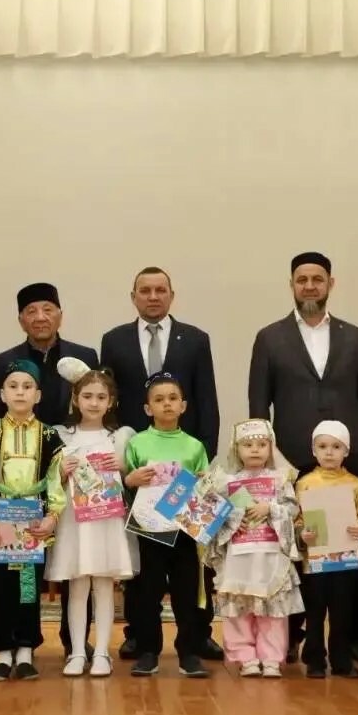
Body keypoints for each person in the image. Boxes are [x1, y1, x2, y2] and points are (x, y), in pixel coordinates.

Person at [248, 251, 358, 661]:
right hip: (293, 460)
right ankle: (290, 636)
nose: (310, 286)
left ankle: (353, 638)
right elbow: (259, 404)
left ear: (330, 284)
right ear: (291, 284)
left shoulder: (354, 336)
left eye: (317, 279)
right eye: (302, 279)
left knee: (351, 552)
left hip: (347, 463)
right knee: (295, 550)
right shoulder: (269, 337)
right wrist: (266, 458)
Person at [101, 267, 221, 662]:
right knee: (144, 565)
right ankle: (139, 636)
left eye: (160, 290)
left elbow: (206, 399)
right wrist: (122, 464)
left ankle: (198, 635)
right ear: (133, 296)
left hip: (185, 470)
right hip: (140, 471)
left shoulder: (196, 339)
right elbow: (110, 402)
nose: (153, 296)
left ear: (171, 294)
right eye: (145, 290)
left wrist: (203, 460)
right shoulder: (114, 340)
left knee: (191, 565)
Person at [0, 283, 99, 658]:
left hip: (74, 473)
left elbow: (93, 406)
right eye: (31, 311)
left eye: (48, 309)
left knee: (76, 561)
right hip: (22, 487)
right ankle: (20, 641)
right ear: (21, 319)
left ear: (60, 315)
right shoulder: (3, 362)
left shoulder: (85, 356)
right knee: (21, 569)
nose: (40, 317)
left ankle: (74, 641)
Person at [0, 360, 67, 682]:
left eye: (27, 387)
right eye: (13, 386)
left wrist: (53, 514)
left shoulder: (49, 435)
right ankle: (3, 650)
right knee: (2, 586)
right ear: (2, 394)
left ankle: (26, 649)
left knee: (28, 587)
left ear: (38, 395)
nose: (20, 392)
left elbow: (54, 478)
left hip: (33, 522)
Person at [48, 358, 138, 677]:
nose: (94, 403)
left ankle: (101, 653)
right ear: (76, 399)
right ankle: (76, 651)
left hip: (107, 520)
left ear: (111, 401)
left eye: (101, 397)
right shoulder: (62, 435)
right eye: (87, 396)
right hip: (74, 521)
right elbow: (49, 480)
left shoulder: (121, 436)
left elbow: (132, 477)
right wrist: (61, 471)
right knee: (77, 585)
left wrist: (122, 467)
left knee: (103, 583)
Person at [121, 373, 212, 678]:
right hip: (149, 529)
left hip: (184, 530)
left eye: (173, 398)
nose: (167, 404)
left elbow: (204, 486)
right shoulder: (137, 443)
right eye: (159, 400)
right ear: (148, 409)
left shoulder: (194, 446)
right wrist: (131, 479)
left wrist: (202, 483)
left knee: (186, 592)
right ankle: (148, 651)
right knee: (148, 592)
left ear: (183, 405)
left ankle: (189, 652)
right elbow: (125, 484)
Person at [206, 420, 303, 679]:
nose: (255, 449)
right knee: (239, 606)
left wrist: (270, 508)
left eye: (262, 444)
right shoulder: (226, 482)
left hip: (270, 555)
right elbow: (216, 517)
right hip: (239, 556)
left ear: (271, 447)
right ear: (236, 449)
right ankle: (245, 657)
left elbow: (292, 509)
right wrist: (233, 519)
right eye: (247, 444)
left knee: (273, 609)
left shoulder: (281, 479)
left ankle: (271, 658)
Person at [294, 421, 358, 679]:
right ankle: (315, 659)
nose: (329, 452)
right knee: (315, 612)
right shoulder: (305, 484)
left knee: (342, 613)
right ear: (314, 450)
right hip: (314, 562)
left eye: (336, 447)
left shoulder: (356, 485)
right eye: (323, 446)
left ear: (346, 451)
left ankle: (342, 660)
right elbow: (297, 518)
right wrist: (302, 533)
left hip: (347, 562)